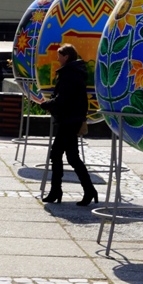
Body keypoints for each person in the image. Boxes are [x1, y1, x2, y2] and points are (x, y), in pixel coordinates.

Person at [41, 43, 98, 206]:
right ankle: (87, 190)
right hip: (71, 119)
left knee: (57, 154)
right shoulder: (73, 72)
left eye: (59, 55)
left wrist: (46, 104)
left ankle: (57, 191)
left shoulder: (70, 74)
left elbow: (63, 98)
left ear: (66, 57)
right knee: (71, 157)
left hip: (69, 120)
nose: (57, 58)